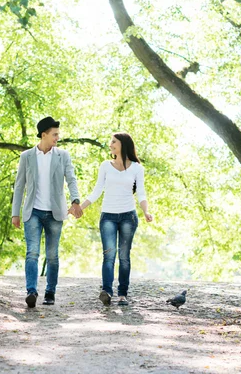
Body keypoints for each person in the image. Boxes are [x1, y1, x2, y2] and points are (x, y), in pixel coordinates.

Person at [12, 117, 83, 308]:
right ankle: (31, 291)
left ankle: (50, 292)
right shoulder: (26, 156)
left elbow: (72, 179)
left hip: (55, 212)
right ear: (44, 135)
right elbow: (19, 186)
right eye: (55, 134)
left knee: (52, 255)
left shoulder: (63, 156)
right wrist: (15, 213)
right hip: (32, 212)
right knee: (32, 253)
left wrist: (76, 200)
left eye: (58, 134)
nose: (57, 138)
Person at [79, 132, 153, 306]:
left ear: (123, 144)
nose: (110, 144)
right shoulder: (105, 165)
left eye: (114, 141)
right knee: (109, 255)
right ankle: (107, 292)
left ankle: (122, 294)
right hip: (108, 217)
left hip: (129, 216)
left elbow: (141, 192)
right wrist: (80, 207)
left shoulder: (136, 168)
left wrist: (146, 212)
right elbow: (97, 190)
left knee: (124, 256)